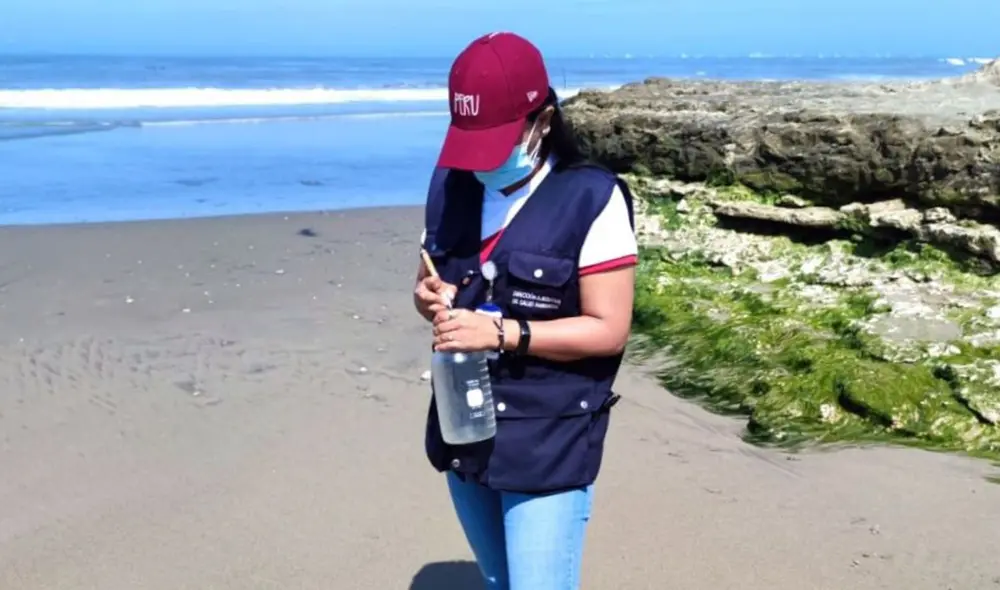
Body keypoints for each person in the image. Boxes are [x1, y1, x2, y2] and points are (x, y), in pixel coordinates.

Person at [412, 31, 637, 590]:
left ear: (543, 121)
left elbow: (608, 329)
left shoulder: (591, 198)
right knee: (500, 580)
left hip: (547, 435)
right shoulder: (451, 185)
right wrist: (427, 298)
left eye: (495, 141)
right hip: (463, 422)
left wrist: (502, 334)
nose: (481, 162)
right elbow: (429, 280)